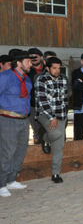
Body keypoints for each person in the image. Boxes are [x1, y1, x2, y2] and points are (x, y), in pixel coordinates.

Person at [0, 51, 33, 197]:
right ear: (18, 63)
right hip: (8, 119)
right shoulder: (5, 77)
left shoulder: (27, 79)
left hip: (24, 119)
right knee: (7, 152)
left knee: (20, 150)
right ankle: (1, 183)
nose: (31, 64)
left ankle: (11, 179)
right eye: (28, 61)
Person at [35, 57, 68, 183]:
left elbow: (64, 99)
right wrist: (52, 117)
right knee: (55, 133)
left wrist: (63, 117)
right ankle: (45, 139)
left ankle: (55, 173)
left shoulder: (62, 80)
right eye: (54, 68)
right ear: (47, 68)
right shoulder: (41, 80)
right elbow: (42, 101)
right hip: (44, 114)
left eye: (59, 68)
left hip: (60, 115)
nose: (57, 70)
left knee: (59, 145)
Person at [28, 48, 46, 144]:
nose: (34, 58)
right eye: (31, 57)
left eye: (36, 56)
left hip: (46, 105)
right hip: (33, 105)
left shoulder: (47, 69)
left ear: (40, 57)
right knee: (36, 130)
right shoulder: (27, 71)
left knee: (47, 130)